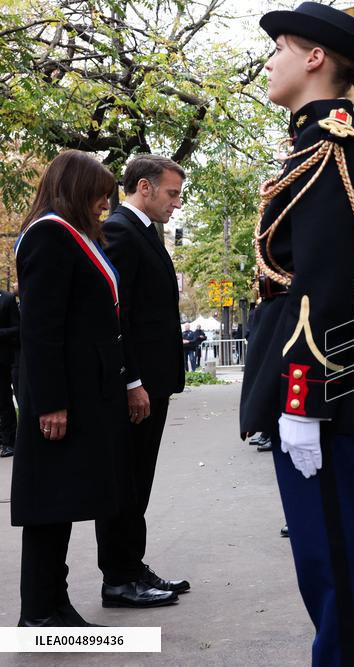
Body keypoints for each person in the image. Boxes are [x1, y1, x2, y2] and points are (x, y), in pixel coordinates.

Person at [240, 3, 354, 663]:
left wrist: (301, 403)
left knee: (335, 559)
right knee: (328, 557)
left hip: (321, 394)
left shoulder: (329, 149)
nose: (268, 60)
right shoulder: (313, 146)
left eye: (280, 47)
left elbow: (322, 287)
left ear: (314, 59)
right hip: (326, 389)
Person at [10, 150, 131, 626]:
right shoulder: (49, 235)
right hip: (59, 396)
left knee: (60, 502)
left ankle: (53, 606)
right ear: (77, 188)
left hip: (83, 392)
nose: (105, 203)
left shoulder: (73, 235)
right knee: (48, 504)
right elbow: (41, 329)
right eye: (100, 193)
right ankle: (39, 616)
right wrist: (52, 403)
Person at [95, 154, 188, 609]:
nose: (176, 203)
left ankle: (132, 565)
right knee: (126, 480)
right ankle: (118, 578)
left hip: (152, 382)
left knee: (139, 479)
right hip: (137, 385)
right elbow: (117, 315)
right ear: (145, 188)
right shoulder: (120, 230)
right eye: (171, 194)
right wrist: (131, 380)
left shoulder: (142, 231)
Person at [0, 285, 19, 458]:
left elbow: (17, 329)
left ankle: (8, 442)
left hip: (3, 360)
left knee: (4, 400)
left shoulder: (7, 298)